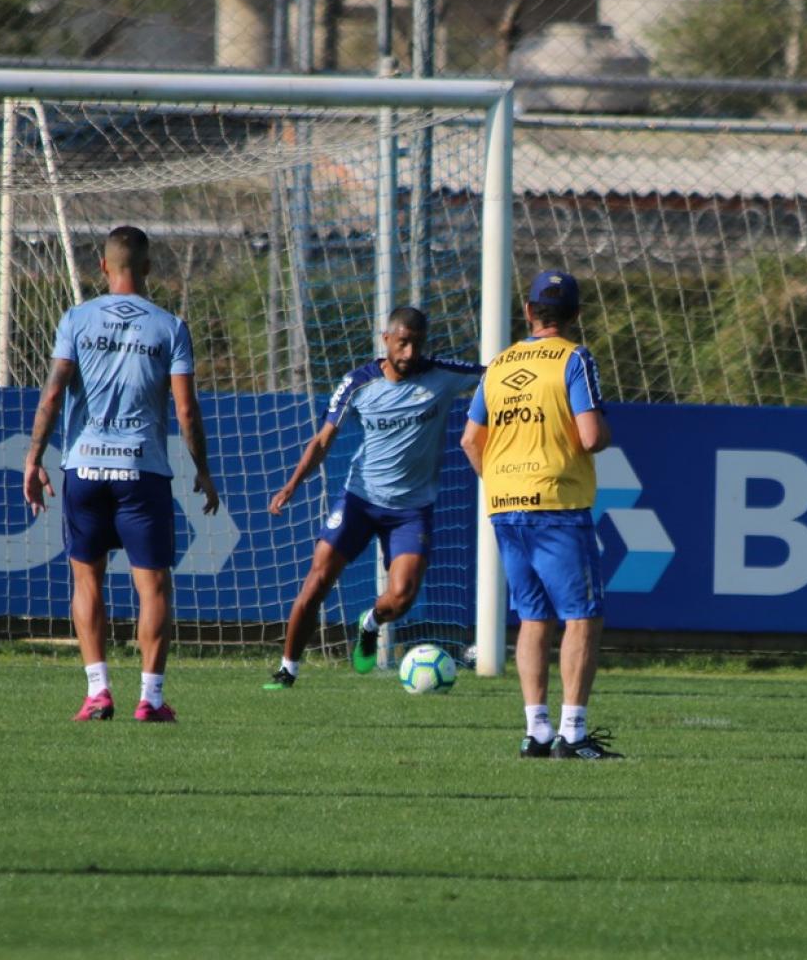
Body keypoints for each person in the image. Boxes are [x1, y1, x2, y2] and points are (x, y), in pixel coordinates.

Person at [23, 225, 219, 723]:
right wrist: (202, 469)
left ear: (104, 267)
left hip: (83, 468)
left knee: (87, 580)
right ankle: (150, 699)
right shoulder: (169, 327)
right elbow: (186, 411)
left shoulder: (76, 319)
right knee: (152, 587)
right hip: (141, 471)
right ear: (149, 268)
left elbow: (51, 394)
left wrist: (33, 458)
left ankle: (97, 692)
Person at [264, 307, 483, 689]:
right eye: (402, 343)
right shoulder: (358, 383)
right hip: (359, 501)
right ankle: (287, 669)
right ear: (386, 339)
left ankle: (370, 623)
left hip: (411, 510)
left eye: (416, 343)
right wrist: (291, 485)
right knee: (317, 582)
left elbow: (497, 374)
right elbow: (322, 440)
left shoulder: (443, 376)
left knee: (401, 597)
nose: (410, 353)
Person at [460, 270, 620, 760]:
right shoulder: (575, 358)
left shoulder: (501, 364)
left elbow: (470, 439)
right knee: (582, 617)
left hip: (506, 506)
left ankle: (537, 732)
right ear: (575, 316)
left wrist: (504, 479)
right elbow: (591, 436)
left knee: (533, 617)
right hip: (556, 502)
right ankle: (572, 734)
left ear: (528, 312)